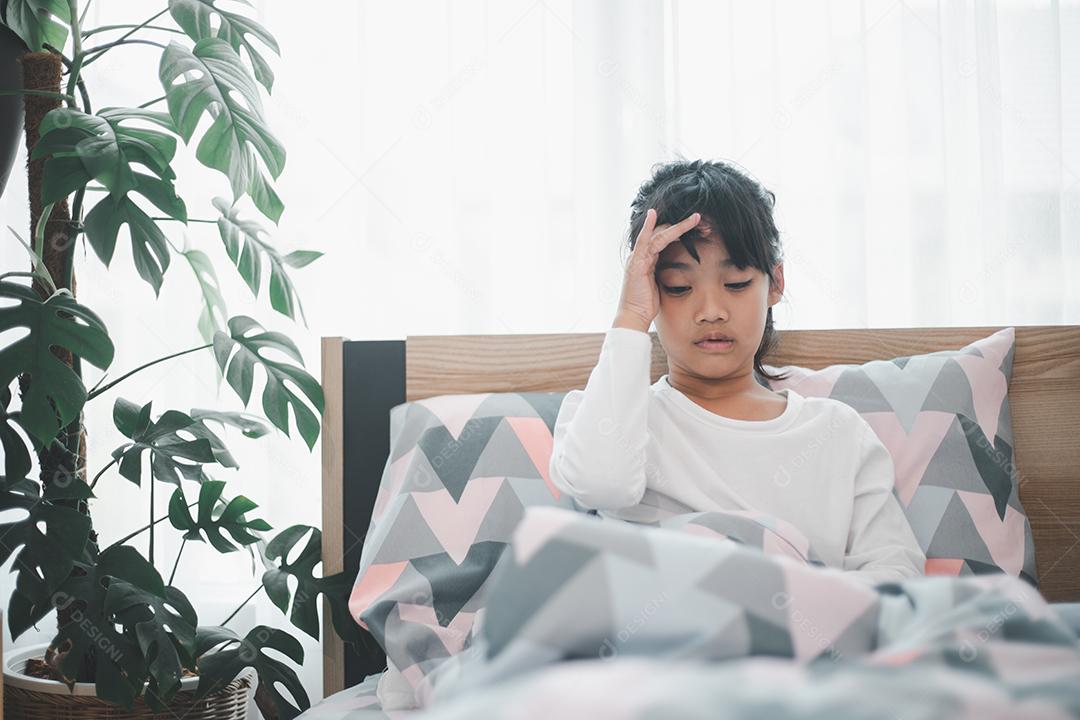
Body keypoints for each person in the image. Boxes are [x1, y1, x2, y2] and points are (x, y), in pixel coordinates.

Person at [548, 158, 925, 586]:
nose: (711, 311)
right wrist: (631, 315)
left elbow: (896, 576)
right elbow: (602, 485)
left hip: (803, 638)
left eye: (737, 283)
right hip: (662, 635)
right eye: (678, 288)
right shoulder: (609, 417)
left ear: (775, 283)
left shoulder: (838, 433)